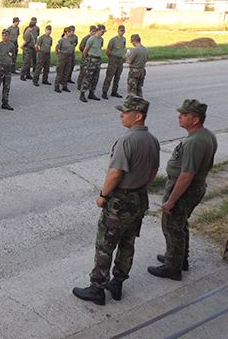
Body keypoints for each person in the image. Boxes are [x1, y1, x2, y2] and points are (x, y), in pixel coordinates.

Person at [73, 95, 160, 305]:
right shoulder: (152, 140)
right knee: (128, 242)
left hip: (120, 201)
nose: (122, 115)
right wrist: (140, 186)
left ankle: (97, 289)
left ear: (138, 116)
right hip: (139, 198)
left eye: (126, 112)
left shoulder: (127, 140)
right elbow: (154, 170)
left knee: (105, 244)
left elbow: (115, 173)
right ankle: (118, 283)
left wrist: (103, 196)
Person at [148, 99, 217, 280]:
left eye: (184, 114)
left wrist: (171, 200)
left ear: (195, 119)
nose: (179, 116)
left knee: (172, 227)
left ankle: (172, 268)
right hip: (195, 187)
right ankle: (179, 258)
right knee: (180, 224)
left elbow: (186, 175)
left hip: (184, 189)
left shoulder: (194, 142)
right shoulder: (207, 135)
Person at [0, 29, 16, 112]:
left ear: (9, 36)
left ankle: (5, 103)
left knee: (7, 86)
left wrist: (11, 63)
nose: (4, 37)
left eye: (6, 35)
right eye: (3, 35)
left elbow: (13, 55)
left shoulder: (11, 45)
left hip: (8, 69)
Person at [79, 24, 106, 103]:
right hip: (91, 59)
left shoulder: (101, 39)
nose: (103, 33)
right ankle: (82, 94)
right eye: (102, 31)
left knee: (95, 78)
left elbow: (99, 48)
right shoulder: (91, 39)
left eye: (104, 32)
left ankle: (91, 93)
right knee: (88, 77)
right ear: (98, 30)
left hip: (98, 60)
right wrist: (87, 59)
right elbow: (85, 50)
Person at [102, 25, 126, 99]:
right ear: (118, 31)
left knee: (117, 76)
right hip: (113, 59)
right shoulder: (113, 40)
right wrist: (112, 57)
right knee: (109, 76)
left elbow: (123, 48)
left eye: (123, 30)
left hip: (120, 60)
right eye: (121, 30)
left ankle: (114, 91)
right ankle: (104, 92)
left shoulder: (124, 39)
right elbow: (108, 51)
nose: (122, 32)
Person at [54, 27, 76, 93]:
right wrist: (59, 56)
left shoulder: (70, 40)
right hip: (62, 57)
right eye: (69, 32)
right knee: (60, 72)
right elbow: (57, 48)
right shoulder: (61, 40)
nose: (71, 33)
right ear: (66, 33)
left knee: (66, 72)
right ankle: (57, 86)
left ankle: (64, 86)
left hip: (69, 57)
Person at [77, 25, 97, 90]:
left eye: (95, 31)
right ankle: (79, 84)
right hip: (85, 58)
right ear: (90, 31)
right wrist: (86, 52)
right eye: (93, 31)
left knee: (89, 73)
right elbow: (81, 47)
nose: (94, 33)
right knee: (83, 72)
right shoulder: (86, 38)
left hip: (92, 59)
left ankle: (87, 84)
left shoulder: (95, 39)